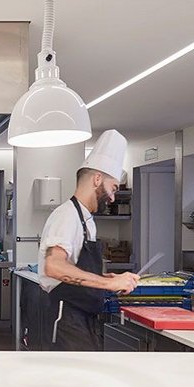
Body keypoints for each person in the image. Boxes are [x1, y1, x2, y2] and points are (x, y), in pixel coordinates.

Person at [38, 130, 140, 351]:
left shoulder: (85, 220)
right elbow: (54, 266)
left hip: (82, 317)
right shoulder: (67, 215)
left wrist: (104, 278)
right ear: (97, 179)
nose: (113, 198)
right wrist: (108, 283)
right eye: (113, 189)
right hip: (66, 319)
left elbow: (73, 267)